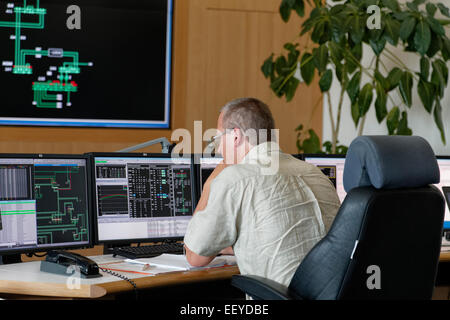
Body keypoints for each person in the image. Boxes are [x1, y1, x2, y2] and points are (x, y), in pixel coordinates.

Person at [183, 97, 340, 287]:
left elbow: (194, 256)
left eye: (217, 139)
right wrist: (234, 246)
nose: (218, 149)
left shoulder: (234, 178)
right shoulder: (314, 173)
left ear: (235, 136)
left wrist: (210, 183)